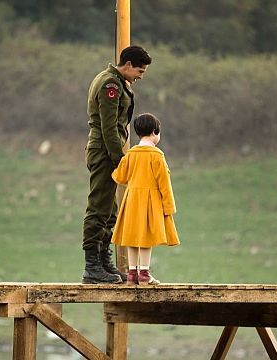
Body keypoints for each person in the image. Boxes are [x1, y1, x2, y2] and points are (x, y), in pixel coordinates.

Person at [82, 46, 152, 284]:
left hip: (107, 150)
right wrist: (119, 160)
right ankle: (92, 266)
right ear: (128, 64)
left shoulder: (115, 81)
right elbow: (109, 127)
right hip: (104, 151)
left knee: (110, 210)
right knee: (98, 208)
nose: (141, 76)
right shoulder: (110, 85)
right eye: (140, 71)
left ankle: (103, 262)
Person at [111, 113, 180, 285]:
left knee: (132, 237)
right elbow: (164, 183)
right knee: (146, 238)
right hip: (149, 202)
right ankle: (144, 273)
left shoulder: (131, 154)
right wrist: (169, 207)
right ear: (155, 132)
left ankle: (132, 274)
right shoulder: (157, 155)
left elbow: (119, 177)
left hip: (132, 200)